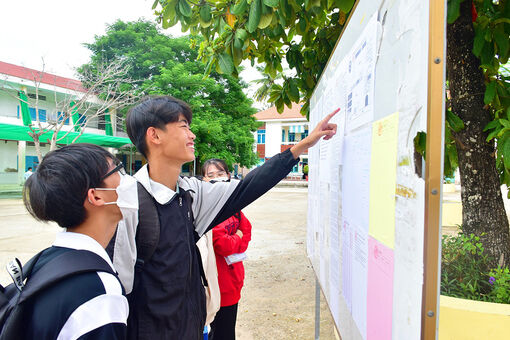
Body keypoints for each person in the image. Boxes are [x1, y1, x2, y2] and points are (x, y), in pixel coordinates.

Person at [111, 95, 338, 340]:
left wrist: (300, 147)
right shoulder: (127, 203)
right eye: (183, 126)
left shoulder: (191, 193)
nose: (192, 135)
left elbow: (247, 187)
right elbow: (116, 290)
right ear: (154, 135)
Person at [21, 143, 130, 339]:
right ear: (96, 196)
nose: (126, 180)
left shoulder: (45, 261)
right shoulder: (101, 290)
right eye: (117, 170)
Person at [202, 158, 252, 340]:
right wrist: (237, 235)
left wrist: (236, 238)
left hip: (234, 281)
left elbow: (247, 231)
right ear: (204, 180)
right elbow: (223, 245)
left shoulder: (234, 206)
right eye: (211, 175)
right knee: (220, 331)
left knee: (228, 329)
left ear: (228, 176)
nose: (217, 178)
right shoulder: (208, 210)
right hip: (217, 284)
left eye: (221, 174)